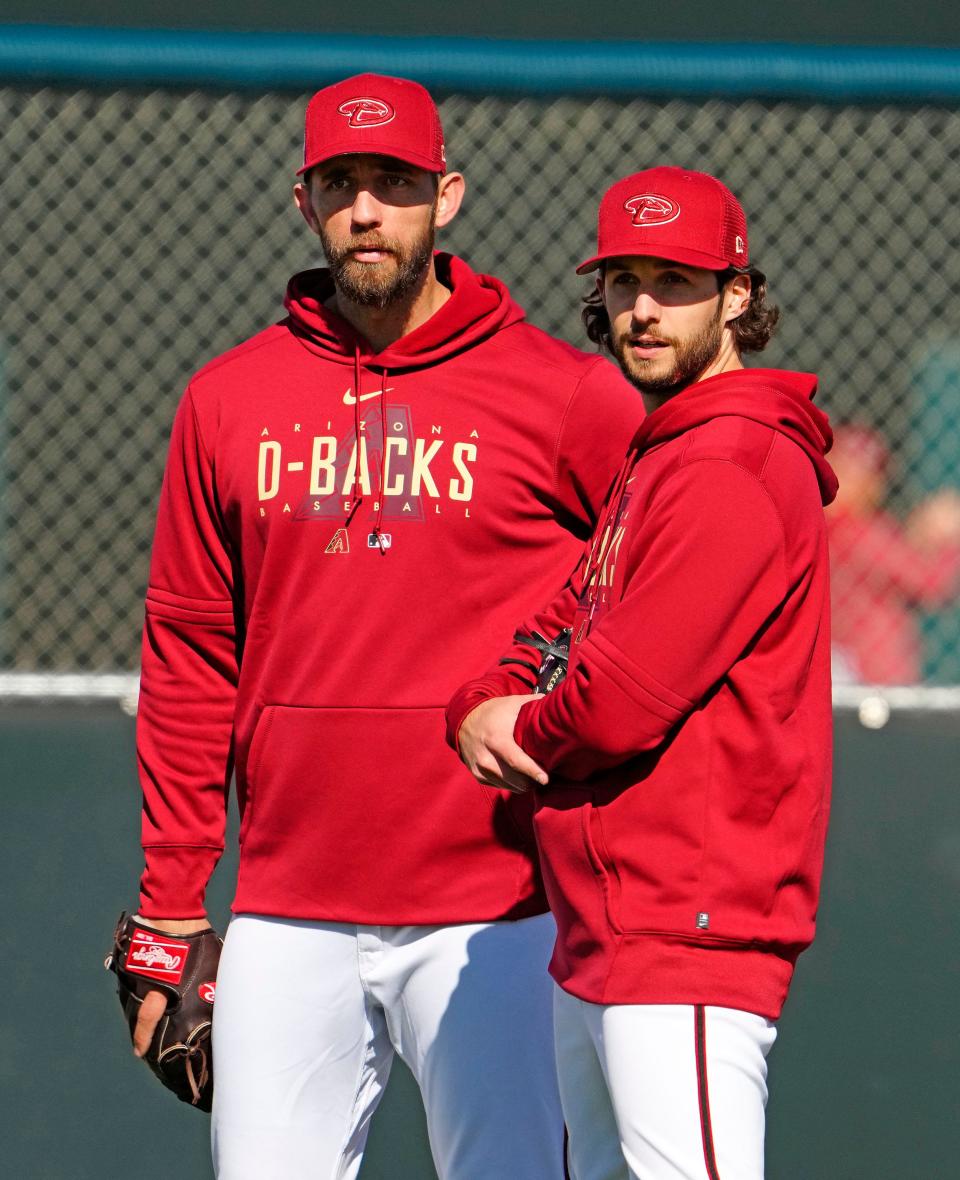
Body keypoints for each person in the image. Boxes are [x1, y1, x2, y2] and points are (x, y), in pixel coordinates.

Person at [122, 73, 641, 1178]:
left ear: (446, 196)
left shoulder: (568, 395)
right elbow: (187, 658)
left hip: (496, 905)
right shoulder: (227, 398)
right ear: (302, 200)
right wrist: (171, 901)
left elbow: (654, 606)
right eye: (342, 184)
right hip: (286, 906)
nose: (368, 210)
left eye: (395, 183)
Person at [448, 166, 839, 1180]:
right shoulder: (662, 451)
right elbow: (566, 614)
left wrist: (515, 729)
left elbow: (619, 701)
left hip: (689, 931)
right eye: (625, 283)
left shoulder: (738, 463)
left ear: (738, 297)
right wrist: (476, 701)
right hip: (611, 927)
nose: (644, 309)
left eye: (677, 282)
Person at [827, 422, 960, 684]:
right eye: (849, 468)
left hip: (849, 672)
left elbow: (897, 562)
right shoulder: (857, 530)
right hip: (872, 678)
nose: (861, 481)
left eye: (869, 472)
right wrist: (950, 540)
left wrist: (921, 537)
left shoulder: (825, 525)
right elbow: (930, 583)